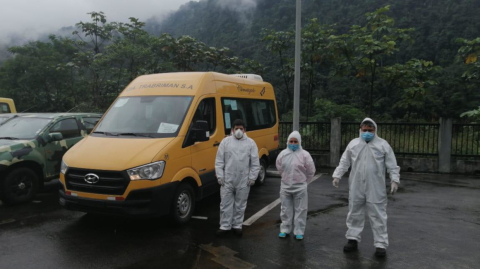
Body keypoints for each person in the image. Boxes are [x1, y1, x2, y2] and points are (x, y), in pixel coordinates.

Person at [332, 118, 400, 257]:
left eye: (370, 130)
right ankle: (353, 239)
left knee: (378, 214)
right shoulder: (353, 144)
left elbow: (392, 164)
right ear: (360, 130)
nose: (367, 133)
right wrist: (337, 175)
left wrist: (395, 180)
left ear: (375, 130)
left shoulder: (383, 145)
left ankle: (380, 244)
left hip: (376, 186)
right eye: (365, 130)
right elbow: (344, 161)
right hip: (356, 185)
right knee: (354, 211)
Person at [215, 119, 260, 237]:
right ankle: (225, 226)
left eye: (241, 128)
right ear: (232, 130)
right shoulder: (225, 142)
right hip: (227, 179)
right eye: (236, 128)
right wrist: (220, 176)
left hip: (243, 180)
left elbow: (255, 163)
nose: (238, 131)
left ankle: (237, 225)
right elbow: (219, 161)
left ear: (245, 130)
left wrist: (252, 177)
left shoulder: (250, 143)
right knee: (225, 204)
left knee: (240, 204)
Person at [276, 131, 316, 240]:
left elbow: (311, 171)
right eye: (291, 141)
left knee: (301, 209)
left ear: (299, 142)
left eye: (295, 141)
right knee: (285, 209)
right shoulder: (283, 154)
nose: (293, 143)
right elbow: (279, 167)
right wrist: (286, 177)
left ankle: (299, 231)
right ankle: (285, 229)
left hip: (300, 187)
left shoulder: (304, 155)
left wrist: (304, 182)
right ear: (288, 142)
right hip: (285, 186)